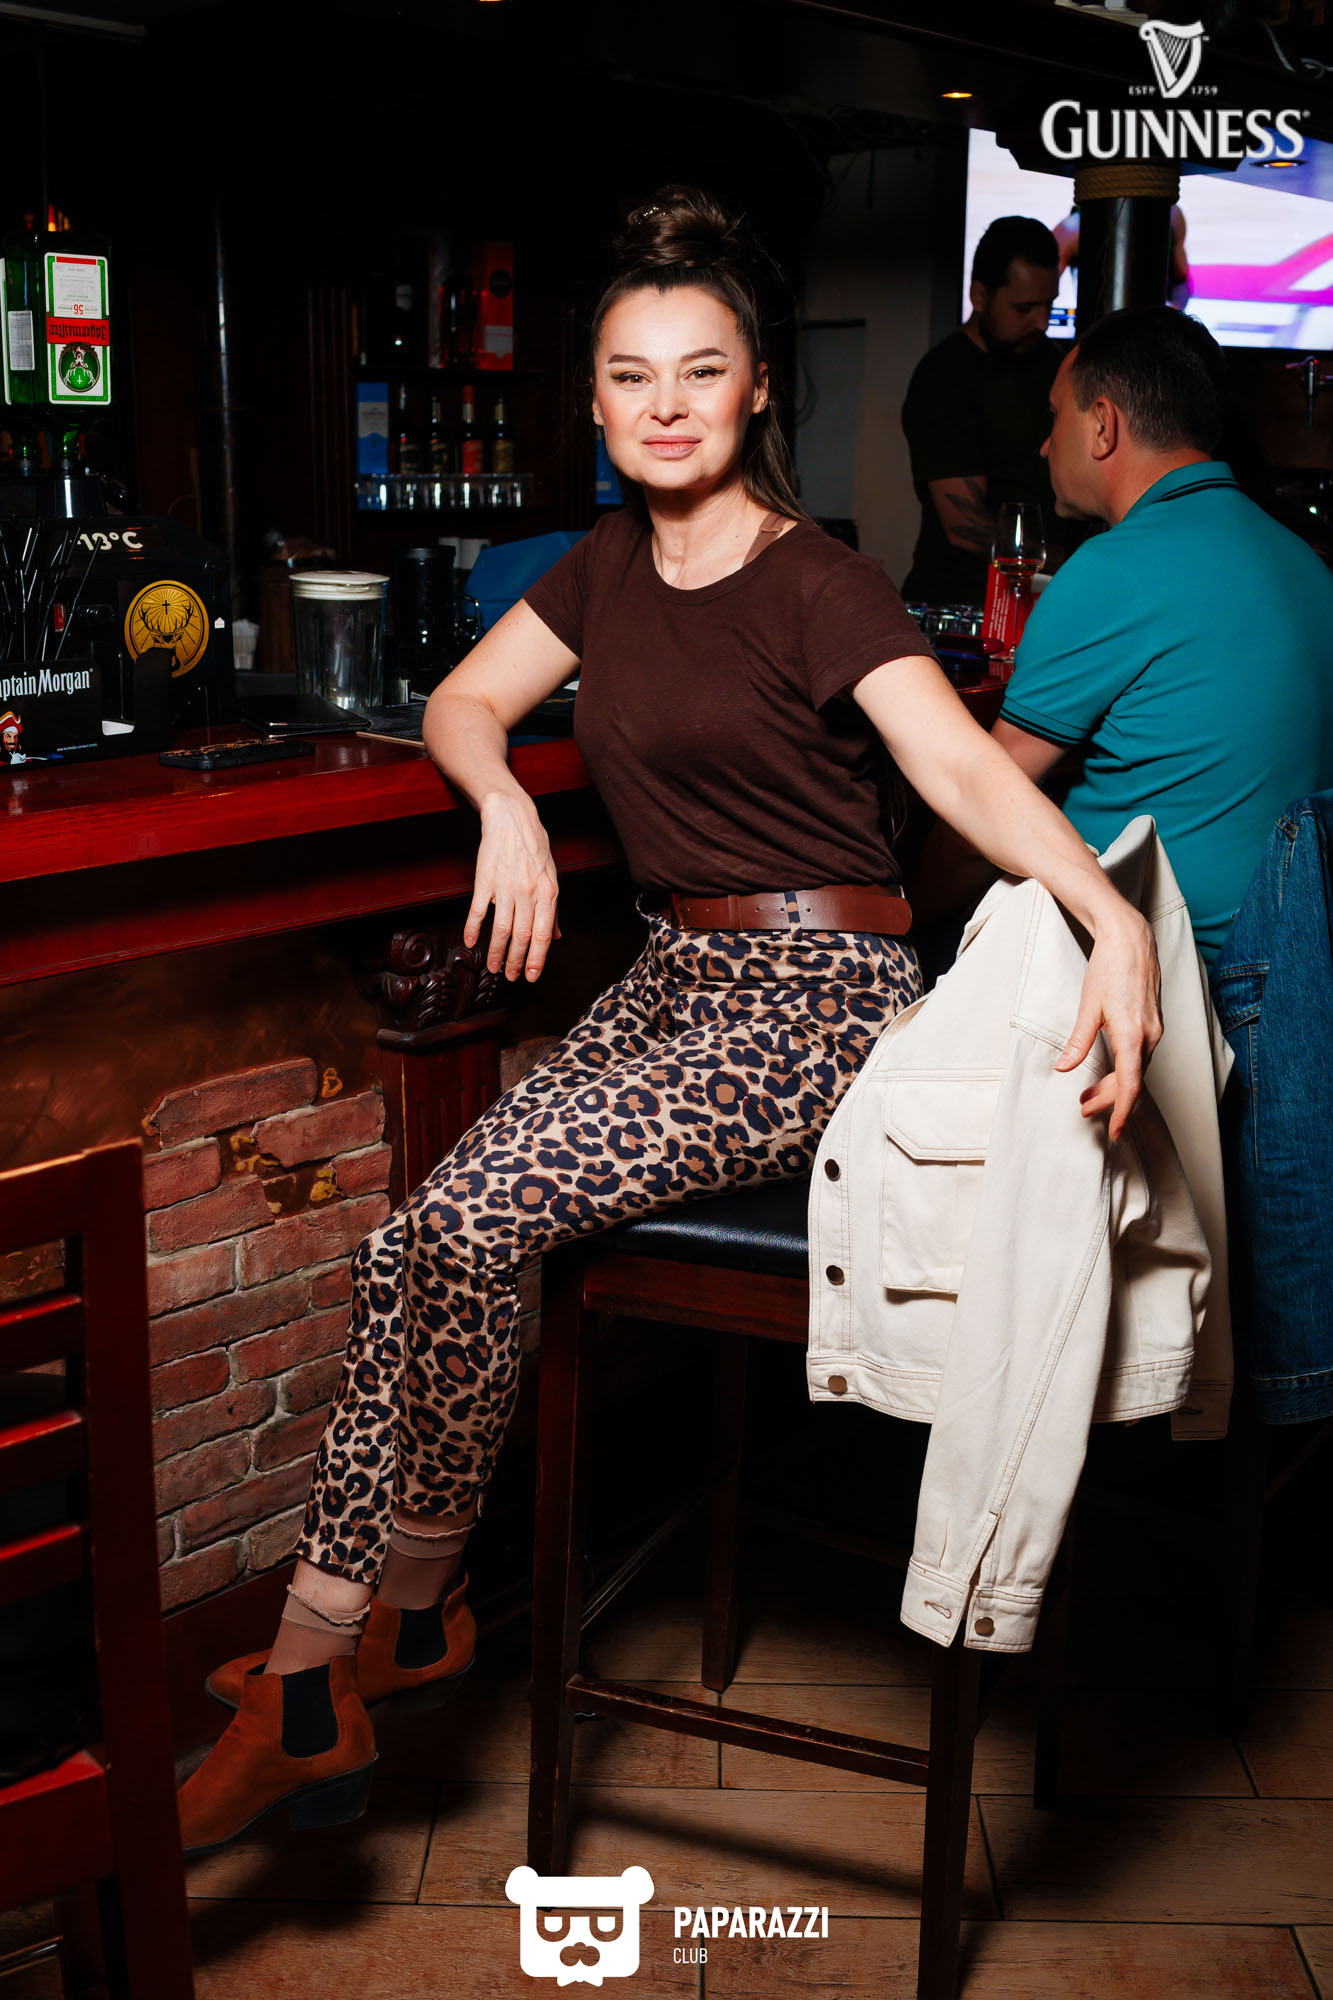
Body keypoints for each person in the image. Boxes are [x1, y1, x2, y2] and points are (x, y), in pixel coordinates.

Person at [178, 187, 1163, 1855]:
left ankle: (317, 1667)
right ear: (592, 398)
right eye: (631, 376)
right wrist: (499, 802)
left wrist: (1105, 913)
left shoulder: (816, 579)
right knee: (419, 1240)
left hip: (821, 999)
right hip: (669, 981)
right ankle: (397, 1620)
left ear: (756, 386)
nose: (664, 405)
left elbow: (950, 765)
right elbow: (462, 699)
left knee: (459, 1224)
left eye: (699, 372)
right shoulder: (602, 567)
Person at [977, 305, 1333, 965]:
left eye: (1054, 418)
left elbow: (980, 801)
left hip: (1180, 974)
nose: (1045, 445)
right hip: (1296, 963)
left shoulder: (1114, 570)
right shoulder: (1305, 563)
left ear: (1102, 424)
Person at [901, 215, 1062, 606]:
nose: (1042, 322)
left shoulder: (1058, 365)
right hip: (961, 606)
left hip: (1042, 601)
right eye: (1024, 308)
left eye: (1048, 305)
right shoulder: (944, 377)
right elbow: (964, 527)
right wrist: (1079, 566)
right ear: (979, 296)